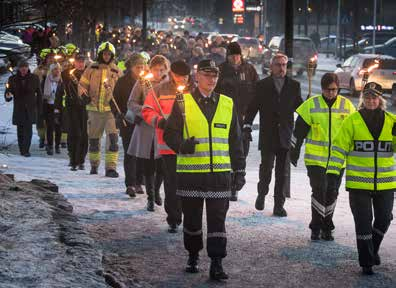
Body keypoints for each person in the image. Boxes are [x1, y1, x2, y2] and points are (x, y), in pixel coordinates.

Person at [164, 60, 246, 281]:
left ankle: (217, 263)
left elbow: (236, 141)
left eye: (215, 75)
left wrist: (240, 171)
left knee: (218, 221)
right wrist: (181, 145)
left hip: (220, 175)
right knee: (191, 219)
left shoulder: (227, 104)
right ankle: (192, 255)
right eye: (207, 75)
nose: (212, 79)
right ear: (196, 76)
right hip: (191, 175)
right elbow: (169, 135)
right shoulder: (182, 102)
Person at [326, 82, 395, 275]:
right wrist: (332, 173)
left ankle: (372, 249)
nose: (371, 101)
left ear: (381, 100)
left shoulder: (392, 121)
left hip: (386, 183)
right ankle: (366, 262)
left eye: (375, 98)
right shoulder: (352, 121)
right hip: (358, 184)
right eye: (368, 97)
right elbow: (339, 149)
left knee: (383, 219)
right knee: (363, 224)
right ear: (363, 99)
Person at [290, 73, 355, 240]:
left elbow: (354, 133)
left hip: (337, 161)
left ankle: (327, 225)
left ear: (338, 88)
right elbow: (298, 132)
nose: (331, 93)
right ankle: (315, 226)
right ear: (322, 89)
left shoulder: (347, 106)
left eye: (334, 90)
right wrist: (294, 151)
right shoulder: (311, 105)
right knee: (319, 191)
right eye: (327, 90)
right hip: (315, 160)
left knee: (332, 193)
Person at [243, 53, 302, 216]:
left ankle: (279, 204)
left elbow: (300, 108)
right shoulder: (262, 85)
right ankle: (262, 193)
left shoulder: (294, 86)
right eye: (278, 65)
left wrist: (308, 109)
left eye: (284, 65)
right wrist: (247, 126)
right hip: (268, 134)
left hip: (285, 135)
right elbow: (253, 107)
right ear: (271, 66)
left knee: (282, 173)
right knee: (266, 168)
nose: (281, 68)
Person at [142, 60, 191, 233]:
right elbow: (147, 110)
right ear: (172, 74)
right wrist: (160, 121)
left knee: (189, 182)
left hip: (189, 144)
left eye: (185, 77)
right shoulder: (160, 90)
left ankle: (190, 216)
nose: (182, 80)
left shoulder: (194, 90)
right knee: (172, 182)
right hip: (168, 144)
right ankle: (174, 218)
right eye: (179, 77)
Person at [216, 41, 259, 201]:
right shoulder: (220, 70)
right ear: (227, 56)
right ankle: (229, 184)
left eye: (237, 55)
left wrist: (249, 113)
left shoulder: (249, 70)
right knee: (227, 151)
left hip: (244, 118)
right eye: (231, 56)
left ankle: (237, 182)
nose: (234, 59)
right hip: (225, 118)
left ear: (241, 56)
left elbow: (257, 91)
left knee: (242, 151)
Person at [128, 55, 169, 211]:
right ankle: (150, 196)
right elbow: (131, 103)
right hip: (146, 127)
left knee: (163, 165)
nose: (158, 73)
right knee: (149, 163)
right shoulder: (143, 82)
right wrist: (145, 112)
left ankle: (157, 190)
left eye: (161, 70)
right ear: (150, 69)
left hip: (163, 128)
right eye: (155, 70)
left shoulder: (169, 84)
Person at [79, 41, 122, 177]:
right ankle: (94, 165)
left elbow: (122, 90)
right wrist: (83, 95)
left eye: (109, 54)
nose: (107, 56)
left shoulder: (116, 70)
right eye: (104, 53)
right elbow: (82, 84)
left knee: (113, 140)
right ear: (100, 54)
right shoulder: (92, 68)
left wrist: (120, 106)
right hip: (94, 110)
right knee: (94, 140)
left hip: (111, 111)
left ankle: (111, 168)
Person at [113, 53, 147, 197]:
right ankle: (130, 184)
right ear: (131, 67)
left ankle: (140, 181)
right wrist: (118, 115)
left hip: (143, 122)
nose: (140, 69)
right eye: (137, 67)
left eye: (142, 67)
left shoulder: (146, 81)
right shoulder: (122, 81)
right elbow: (113, 100)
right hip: (127, 121)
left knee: (142, 154)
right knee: (130, 153)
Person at [56, 54, 89, 170]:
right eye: (78, 61)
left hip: (85, 107)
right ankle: (73, 159)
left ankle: (81, 160)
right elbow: (61, 88)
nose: (80, 64)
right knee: (73, 133)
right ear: (74, 62)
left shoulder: (88, 73)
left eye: (82, 62)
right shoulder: (67, 74)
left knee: (84, 134)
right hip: (71, 107)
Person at [4, 60, 42, 157]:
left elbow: (39, 93)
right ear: (19, 68)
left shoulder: (34, 78)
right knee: (20, 130)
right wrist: (8, 96)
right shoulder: (13, 79)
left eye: (25, 67)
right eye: (22, 67)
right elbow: (8, 91)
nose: (24, 69)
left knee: (28, 131)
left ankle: (26, 150)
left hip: (30, 108)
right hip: (19, 108)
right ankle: (22, 149)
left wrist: (39, 106)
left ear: (28, 67)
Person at [43, 62, 63, 155]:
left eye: (58, 69)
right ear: (51, 70)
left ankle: (57, 145)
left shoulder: (62, 81)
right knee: (50, 127)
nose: (57, 71)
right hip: (49, 105)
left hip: (59, 106)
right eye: (55, 69)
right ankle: (50, 145)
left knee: (58, 127)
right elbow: (43, 93)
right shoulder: (46, 80)